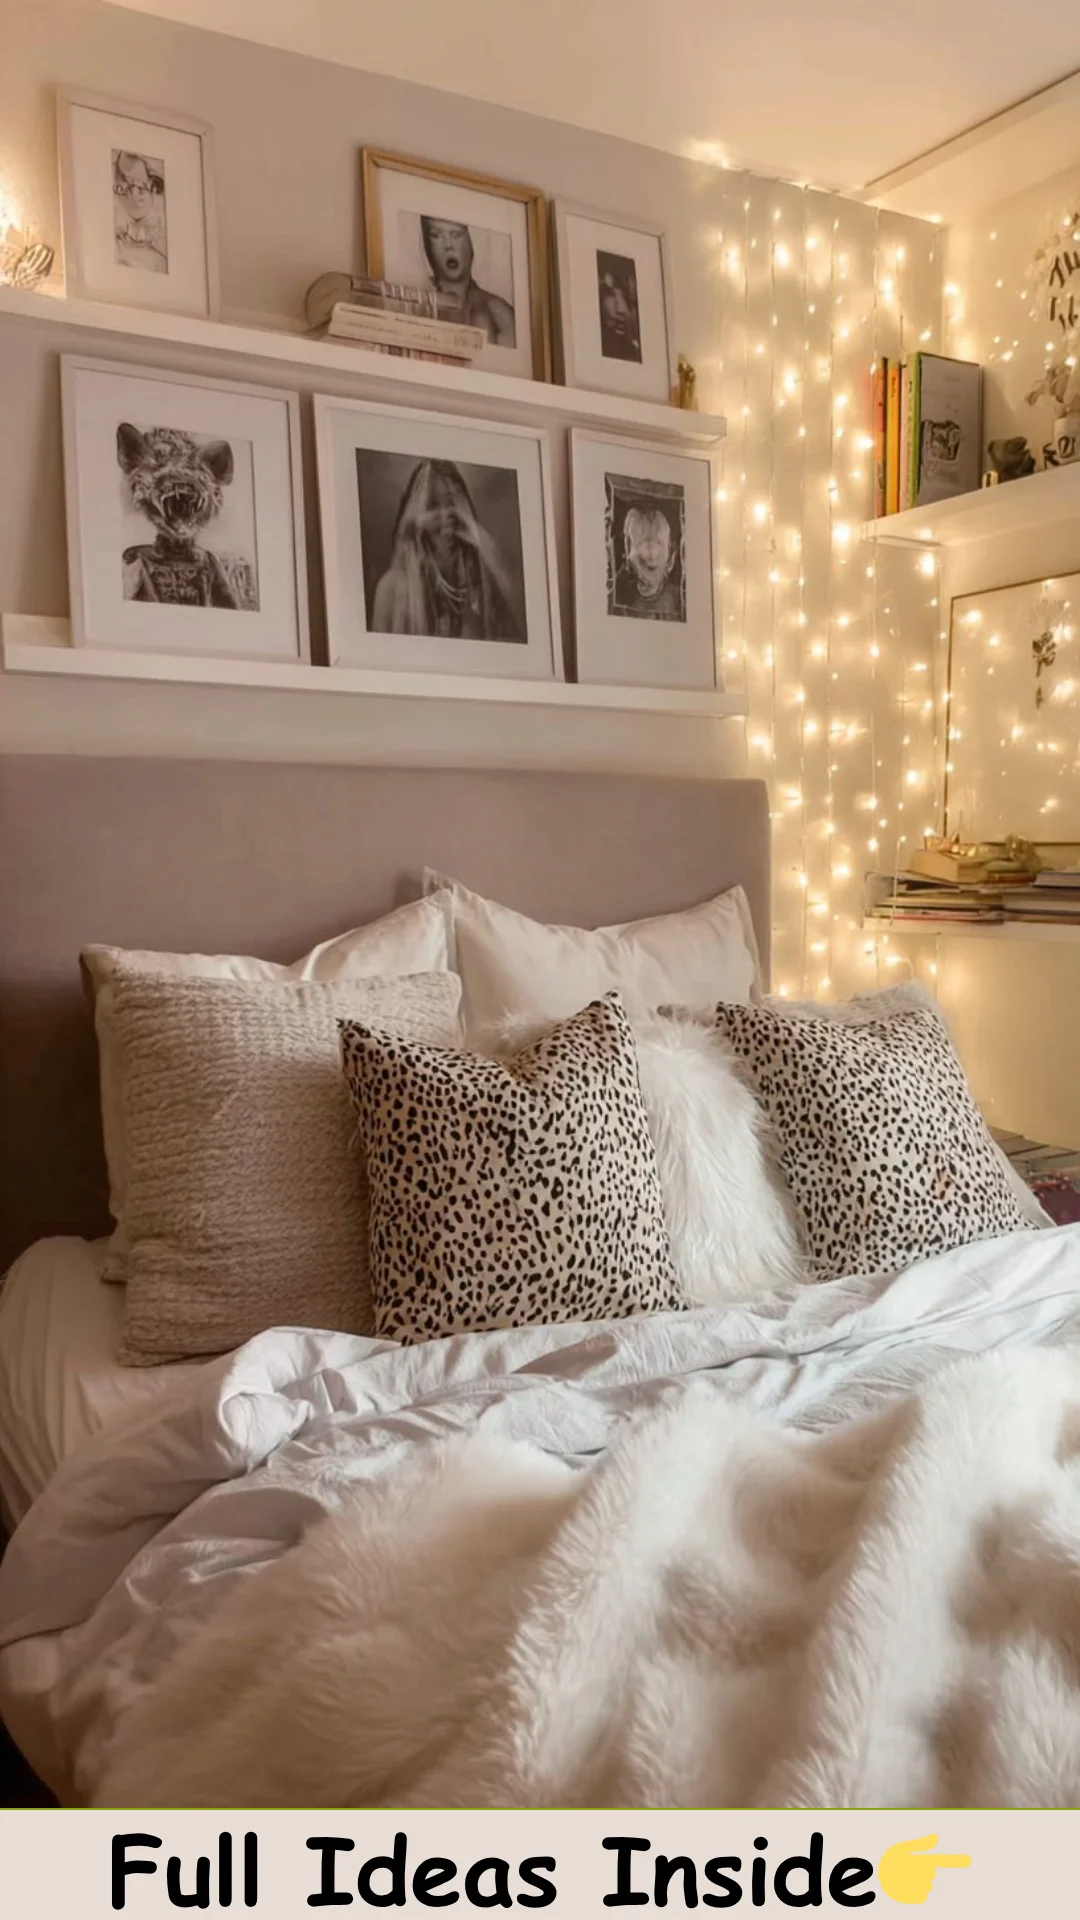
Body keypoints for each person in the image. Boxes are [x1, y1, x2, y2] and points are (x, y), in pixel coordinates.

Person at [370, 458, 523, 641]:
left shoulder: (485, 584)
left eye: (451, 503)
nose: (446, 516)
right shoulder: (391, 589)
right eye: (433, 505)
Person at [419, 217, 516, 348]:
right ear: (427, 244)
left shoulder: (499, 313)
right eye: (436, 235)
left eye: (456, 235)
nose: (448, 246)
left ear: (471, 241)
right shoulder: (416, 303)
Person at [612, 502, 683, 621]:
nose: (651, 554)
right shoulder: (618, 595)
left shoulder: (678, 599)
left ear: (671, 558)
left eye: (658, 543)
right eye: (642, 544)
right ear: (627, 551)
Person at [113, 150, 167, 275]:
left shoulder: (159, 260)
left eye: (143, 186)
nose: (135, 194)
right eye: (128, 187)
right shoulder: (116, 249)